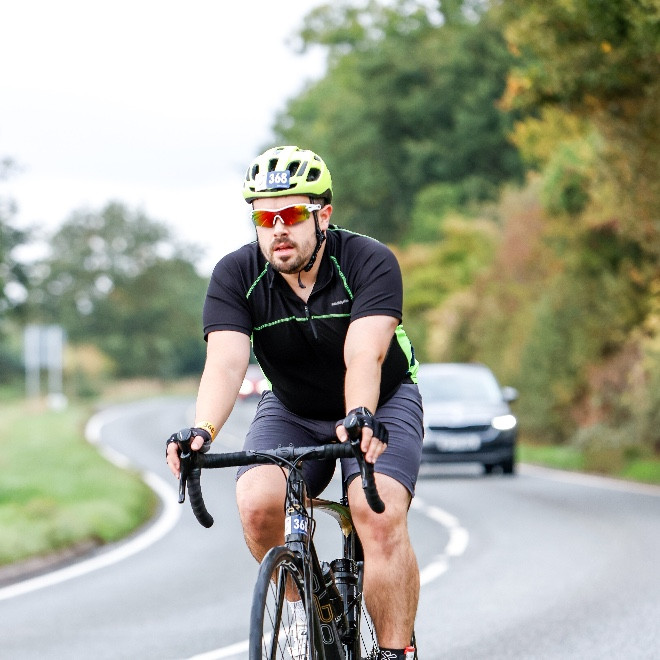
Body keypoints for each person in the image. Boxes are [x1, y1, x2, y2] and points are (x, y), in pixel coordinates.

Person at [166, 145, 423, 660]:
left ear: (322, 216)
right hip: (292, 409)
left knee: (375, 512)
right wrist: (202, 430)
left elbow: (364, 353)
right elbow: (226, 363)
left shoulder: (367, 261)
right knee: (257, 505)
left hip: (379, 402)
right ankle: (313, 610)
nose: (278, 229)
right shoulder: (236, 275)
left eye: (290, 214)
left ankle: (396, 652)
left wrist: (359, 416)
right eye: (265, 218)